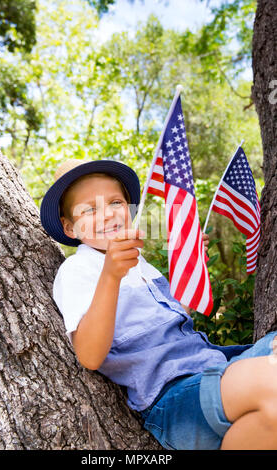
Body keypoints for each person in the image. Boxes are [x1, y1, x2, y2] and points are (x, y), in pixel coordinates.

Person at [40, 158, 277, 450]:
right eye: (90, 209)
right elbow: (89, 356)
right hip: (174, 397)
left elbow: (176, 321)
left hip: (212, 364)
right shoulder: (77, 270)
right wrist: (110, 276)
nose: (107, 215)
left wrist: (192, 265)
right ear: (69, 227)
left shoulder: (142, 265)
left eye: (115, 202)